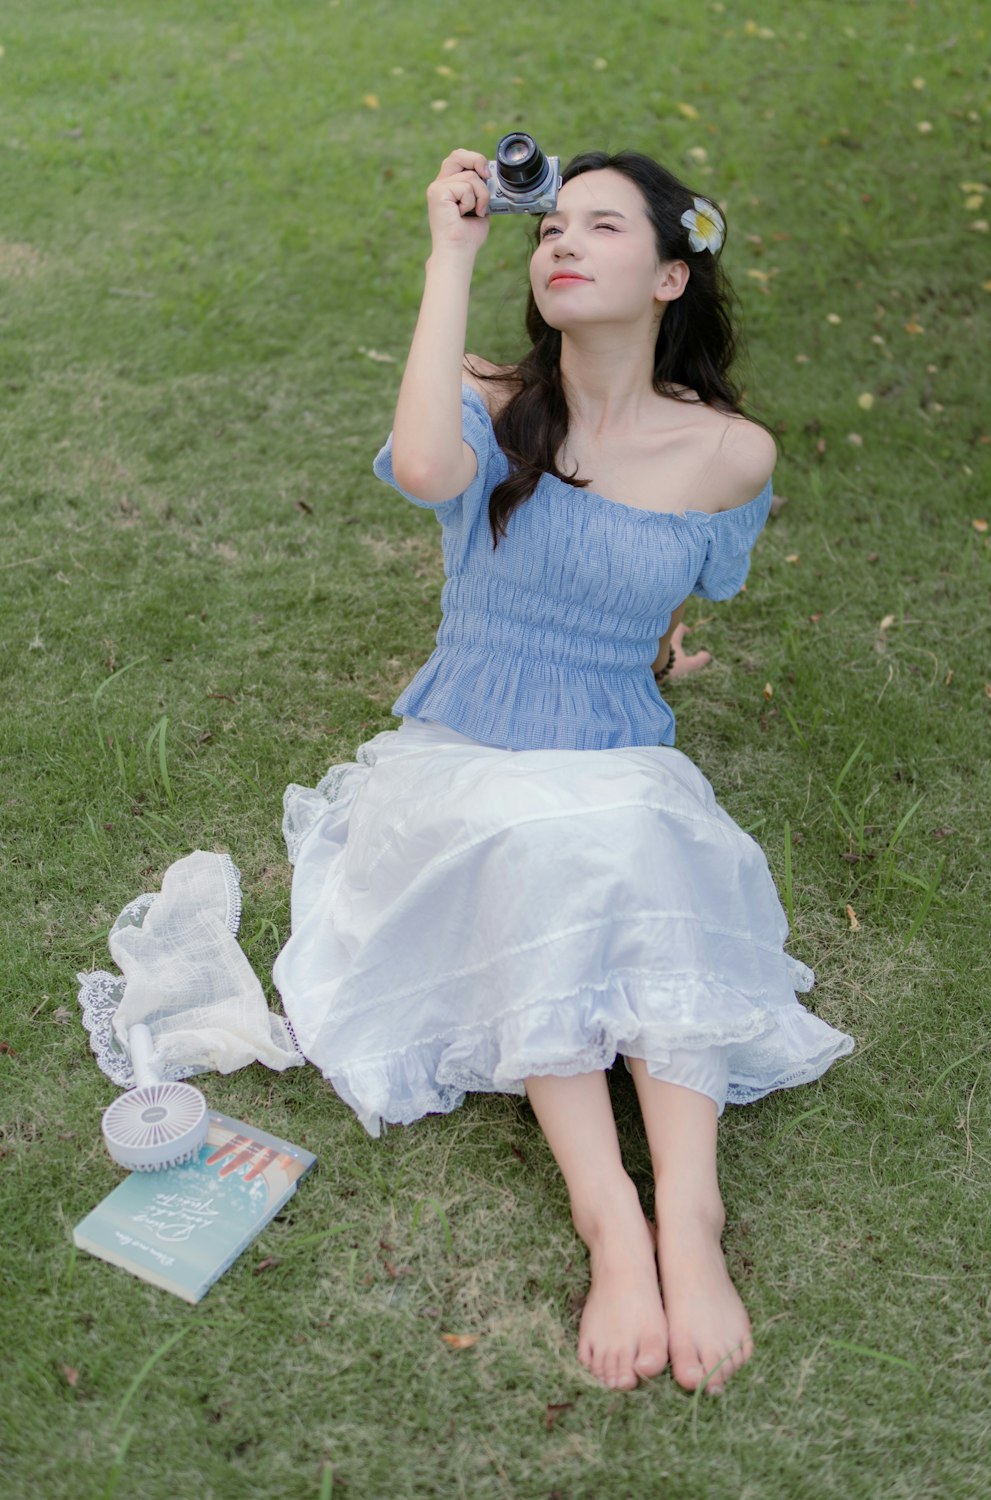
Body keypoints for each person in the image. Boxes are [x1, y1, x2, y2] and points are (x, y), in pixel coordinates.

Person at [274, 147, 853, 1397]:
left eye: (603, 226)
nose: (564, 244)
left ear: (669, 277)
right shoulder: (484, 399)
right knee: (543, 855)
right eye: (552, 230)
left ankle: (687, 1221)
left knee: (644, 851)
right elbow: (425, 475)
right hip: (467, 754)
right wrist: (452, 250)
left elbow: (663, 604)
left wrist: (651, 661)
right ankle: (610, 1222)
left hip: (613, 749)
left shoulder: (730, 456)